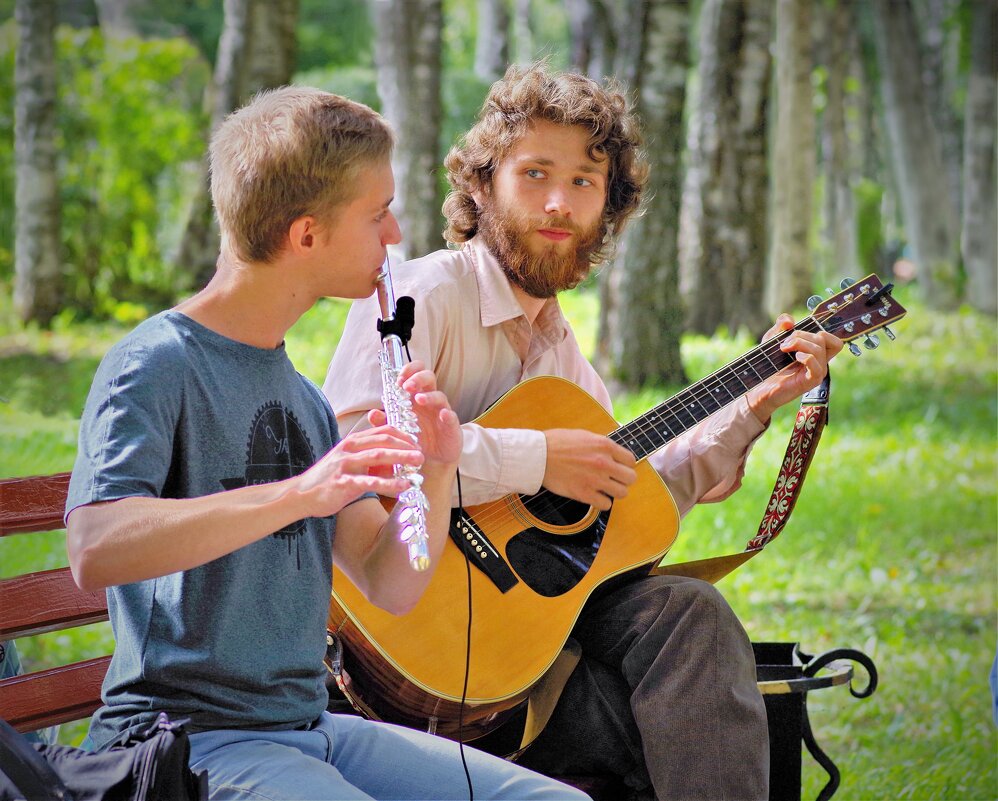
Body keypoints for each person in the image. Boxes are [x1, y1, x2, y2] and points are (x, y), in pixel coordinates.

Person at [324, 64, 843, 801]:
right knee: (682, 724)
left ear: (609, 209)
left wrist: (756, 402)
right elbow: (361, 458)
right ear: (480, 184)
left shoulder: (561, 352)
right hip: (398, 663)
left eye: (584, 184)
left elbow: (635, 493)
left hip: (519, 669)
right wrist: (535, 458)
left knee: (689, 614)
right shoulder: (421, 294)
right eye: (534, 174)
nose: (559, 203)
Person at [64, 85, 589, 801]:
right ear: (307, 235)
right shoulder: (157, 364)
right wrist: (301, 491)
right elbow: (95, 547)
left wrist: (434, 472)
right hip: (180, 738)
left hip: (308, 729)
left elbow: (391, 581)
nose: (396, 235)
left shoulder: (301, 397)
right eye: (377, 214)